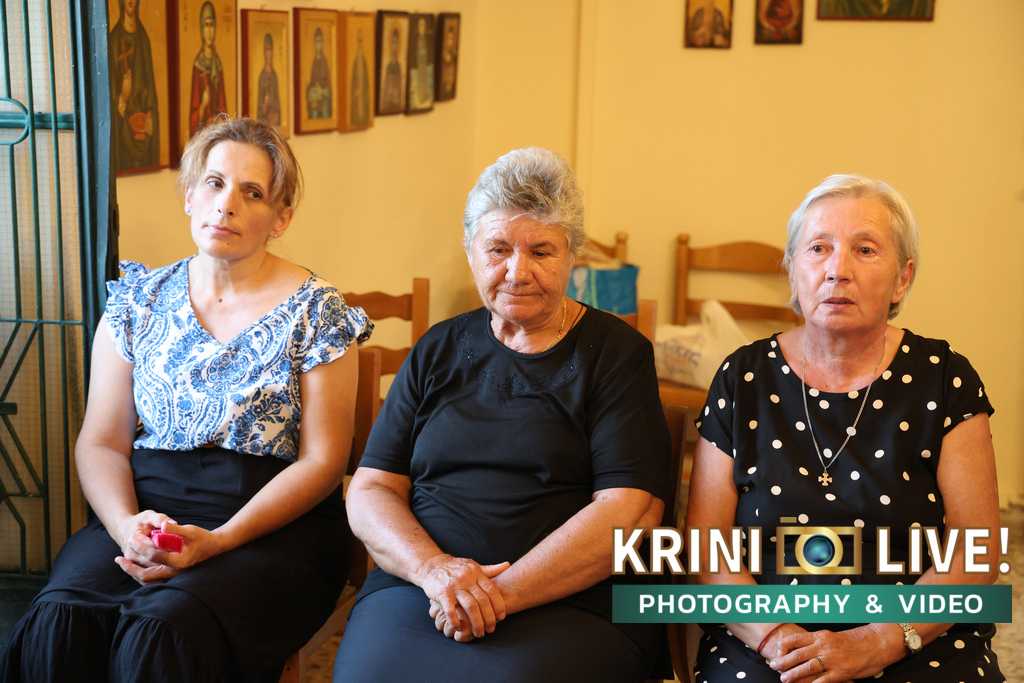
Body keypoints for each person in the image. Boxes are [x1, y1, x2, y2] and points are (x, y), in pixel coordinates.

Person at [1, 117, 372, 682]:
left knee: (163, 630)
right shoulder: (137, 301)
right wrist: (126, 527)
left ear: (281, 218)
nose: (227, 205)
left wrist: (219, 541)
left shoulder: (317, 311)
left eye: (253, 193)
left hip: (268, 526)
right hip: (147, 511)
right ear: (189, 194)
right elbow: (101, 442)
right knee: (63, 619)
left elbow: (323, 462)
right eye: (214, 183)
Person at [334, 147, 671, 682]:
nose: (517, 272)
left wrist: (497, 595)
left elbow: (630, 510)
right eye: (497, 249)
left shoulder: (616, 355)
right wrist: (434, 571)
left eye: (541, 250)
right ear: (471, 252)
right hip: (423, 590)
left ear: (571, 255)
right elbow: (373, 487)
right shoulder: (438, 348)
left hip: (574, 598)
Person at [685, 174, 1003, 681]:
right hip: (764, 635)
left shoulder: (946, 379)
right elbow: (706, 545)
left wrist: (880, 640)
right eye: (818, 248)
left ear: (902, 278)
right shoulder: (743, 377)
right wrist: (776, 637)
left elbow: (977, 549)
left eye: (865, 250)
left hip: (915, 631)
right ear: (793, 272)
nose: (837, 270)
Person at [109, 0, 159, 172]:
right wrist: (122, 96)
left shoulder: (143, 39)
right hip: (123, 123)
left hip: (142, 120)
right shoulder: (114, 40)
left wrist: (150, 113)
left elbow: (150, 83)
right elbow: (110, 91)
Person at [188, 1, 228, 136]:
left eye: (212, 25)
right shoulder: (198, 66)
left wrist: (220, 120)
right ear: (201, 29)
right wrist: (203, 105)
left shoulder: (218, 64)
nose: (210, 31)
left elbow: (223, 108)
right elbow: (193, 117)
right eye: (206, 25)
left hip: (218, 135)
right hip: (203, 136)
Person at [256, 33, 282, 127]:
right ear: (264, 52)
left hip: (274, 120)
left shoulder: (274, 76)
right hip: (264, 121)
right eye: (266, 50)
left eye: (270, 50)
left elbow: (277, 103)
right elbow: (259, 108)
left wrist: (273, 107)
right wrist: (264, 105)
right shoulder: (261, 77)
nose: (268, 53)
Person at [306, 27, 332, 119]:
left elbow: (328, 88)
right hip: (315, 101)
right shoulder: (314, 62)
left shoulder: (324, 62)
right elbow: (312, 83)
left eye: (320, 41)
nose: (318, 44)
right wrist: (310, 89)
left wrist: (321, 91)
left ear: (323, 43)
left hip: (323, 101)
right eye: (316, 41)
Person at [379, 26, 403, 113]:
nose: (394, 46)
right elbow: (385, 91)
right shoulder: (388, 66)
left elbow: (400, 92)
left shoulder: (399, 67)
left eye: (396, 43)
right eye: (393, 43)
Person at [349, 28, 370, 127]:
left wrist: (364, 91)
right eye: (358, 41)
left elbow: (367, 83)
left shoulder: (364, 62)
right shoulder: (355, 62)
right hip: (357, 97)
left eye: (361, 41)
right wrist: (355, 92)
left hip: (363, 96)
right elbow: (352, 82)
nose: (360, 44)